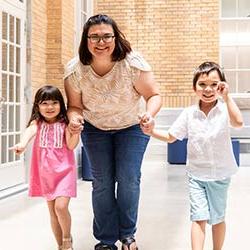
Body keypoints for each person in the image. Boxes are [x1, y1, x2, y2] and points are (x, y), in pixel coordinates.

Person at [64, 14, 162, 250]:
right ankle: (106, 240)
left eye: (107, 36)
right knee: (102, 182)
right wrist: (75, 119)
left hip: (132, 127)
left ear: (116, 37)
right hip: (95, 129)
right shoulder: (75, 69)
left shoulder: (132, 64)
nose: (101, 42)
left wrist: (149, 114)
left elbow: (153, 95)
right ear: (86, 40)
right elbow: (75, 106)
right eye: (94, 37)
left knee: (129, 179)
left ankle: (128, 235)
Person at [140, 61, 243, 250]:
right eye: (202, 84)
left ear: (221, 86)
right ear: (194, 87)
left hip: (220, 175)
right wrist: (151, 131)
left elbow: (238, 122)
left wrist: (227, 98)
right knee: (198, 217)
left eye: (214, 84)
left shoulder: (224, 110)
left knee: (218, 218)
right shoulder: (189, 114)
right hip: (196, 175)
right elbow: (171, 137)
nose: (208, 89)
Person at [12, 85, 80, 250]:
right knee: (53, 213)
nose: (49, 107)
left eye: (54, 103)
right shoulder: (38, 123)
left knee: (61, 207)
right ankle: (60, 246)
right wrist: (22, 143)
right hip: (45, 173)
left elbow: (71, 146)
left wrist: (76, 132)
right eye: (44, 103)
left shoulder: (65, 123)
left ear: (61, 105)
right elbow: (30, 130)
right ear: (37, 106)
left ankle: (67, 239)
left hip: (65, 171)